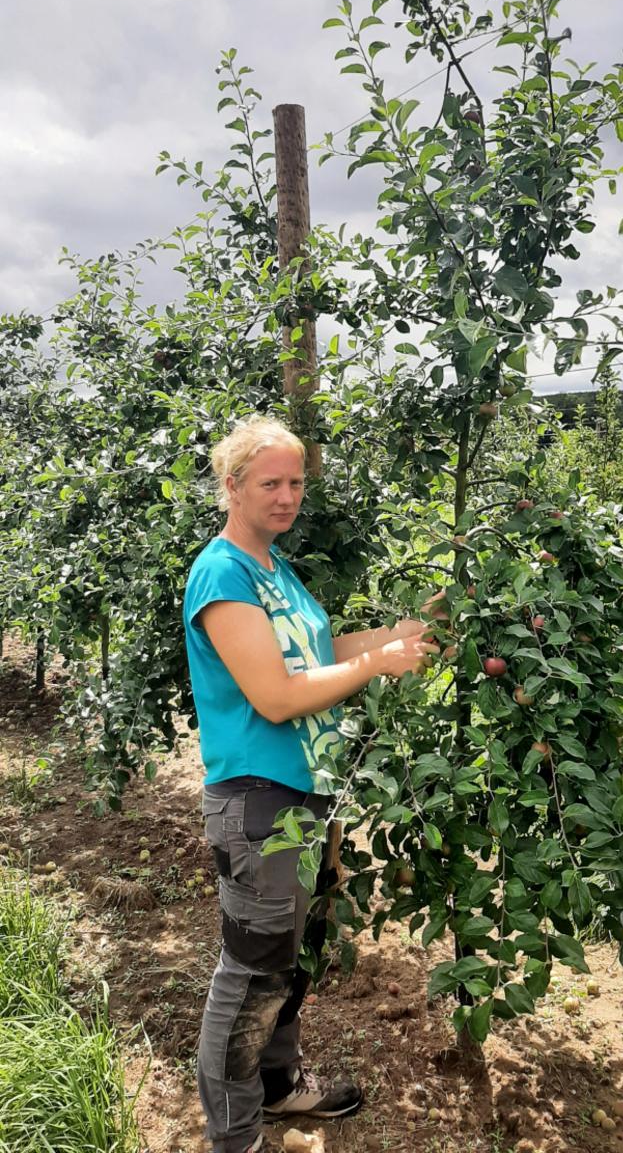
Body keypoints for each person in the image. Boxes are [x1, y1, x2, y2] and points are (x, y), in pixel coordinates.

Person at [183, 415, 438, 1153]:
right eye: (271, 482)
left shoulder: (274, 569)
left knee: (288, 958)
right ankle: (233, 1137)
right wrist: (374, 666)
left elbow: (324, 652)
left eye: (296, 482)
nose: (287, 495)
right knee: (250, 975)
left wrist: (400, 636)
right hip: (258, 799)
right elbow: (278, 695)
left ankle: (278, 1086)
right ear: (231, 486)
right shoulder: (222, 572)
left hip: (308, 793)